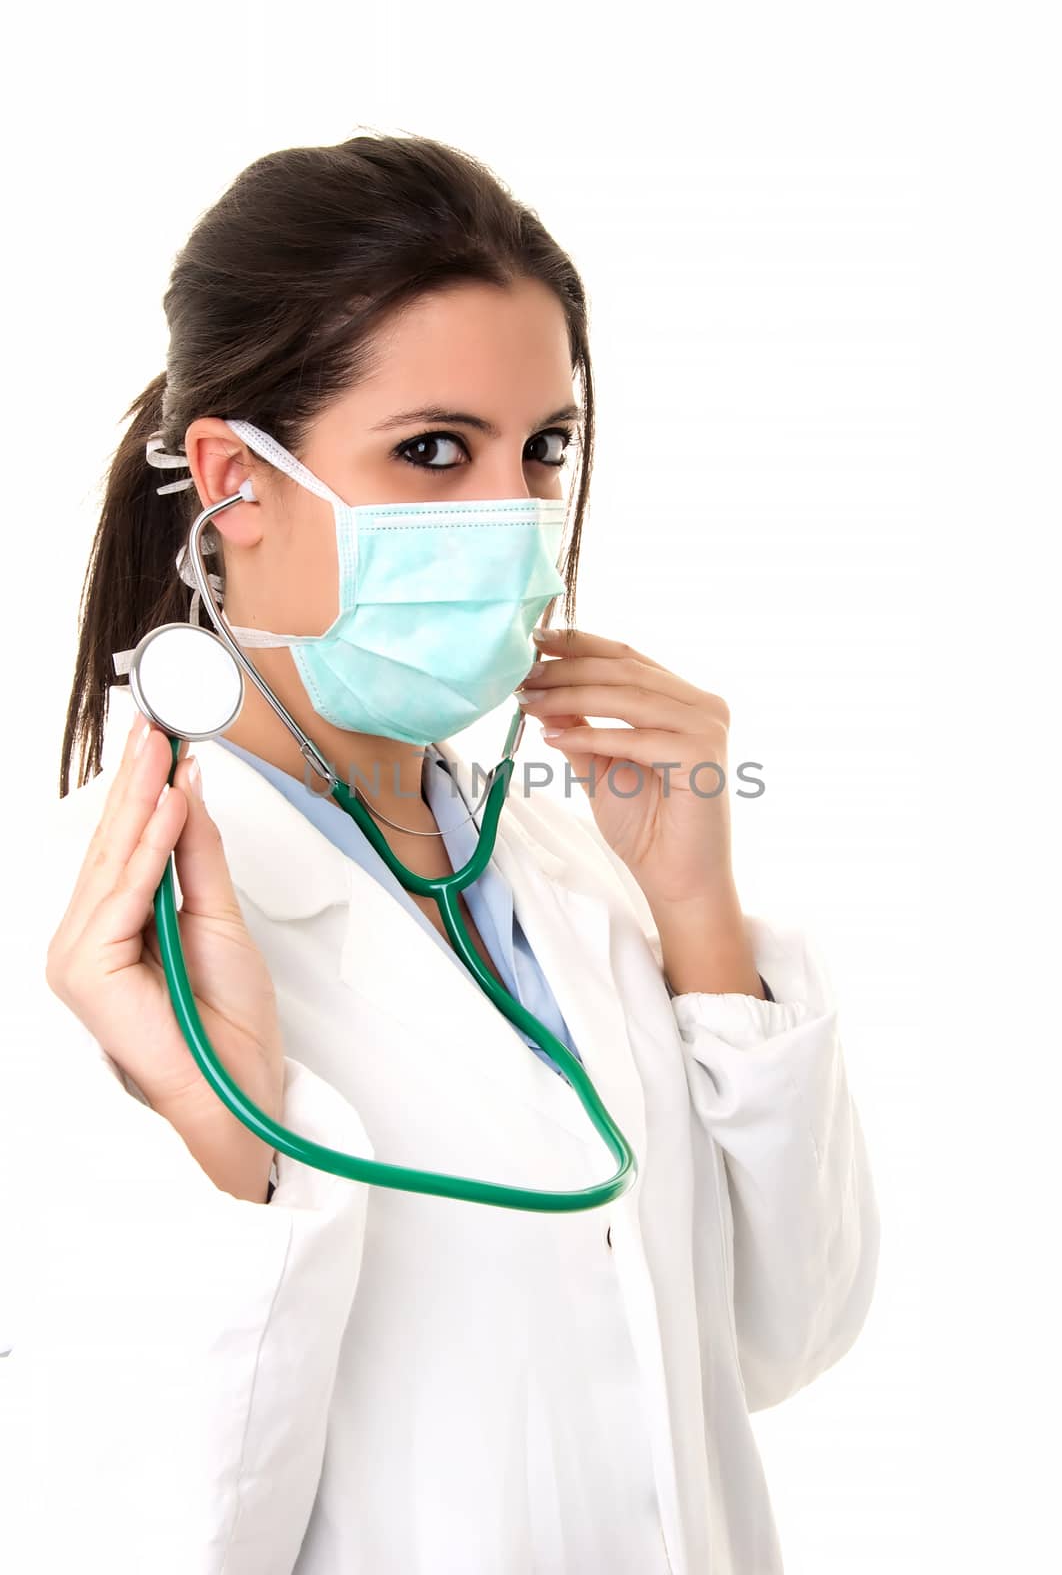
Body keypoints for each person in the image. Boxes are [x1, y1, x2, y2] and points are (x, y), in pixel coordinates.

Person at [5, 133, 879, 1574]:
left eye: (543, 447)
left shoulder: (571, 866)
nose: (514, 513)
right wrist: (228, 1149)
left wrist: (695, 917)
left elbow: (782, 1341)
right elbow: (139, 1536)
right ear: (233, 483)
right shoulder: (88, 943)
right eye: (430, 452)